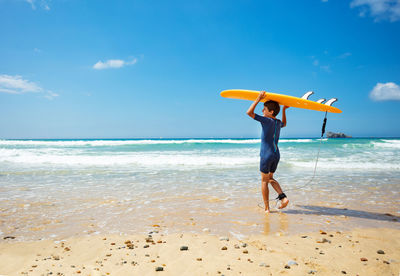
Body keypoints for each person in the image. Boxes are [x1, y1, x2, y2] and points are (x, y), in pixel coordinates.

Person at [246, 91, 289, 213]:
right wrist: (284, 110)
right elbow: (284, 124)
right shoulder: (277, 122)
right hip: (276, 155)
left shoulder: (266, 120)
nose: (262, 111)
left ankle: (267, 208)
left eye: (264, 109)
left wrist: (258, 98)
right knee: (270, 178)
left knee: (264, 181)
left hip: (266, 155)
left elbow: (249, 113)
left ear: (271, 112)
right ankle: (283, 198)